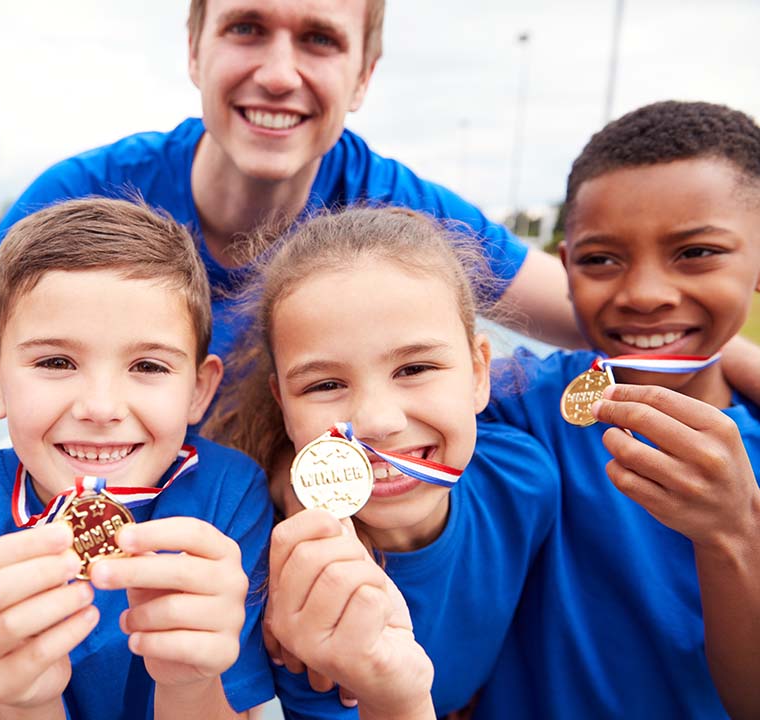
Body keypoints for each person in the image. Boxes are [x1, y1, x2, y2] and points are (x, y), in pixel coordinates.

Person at [0, 0, 592, 433]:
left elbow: (597, 314)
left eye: (320, 39)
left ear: (363, 78)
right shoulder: (85, 197)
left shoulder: (399, 216)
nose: (280, 73)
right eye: (247, 28)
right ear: (196, 50)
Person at [0, 197, 274, 720]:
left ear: (199, 388)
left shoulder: (230, 497)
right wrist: (24, 698)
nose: (101, 408)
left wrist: (192, 681)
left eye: (148, 366)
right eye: (57, 361)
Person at [203, 206, 560, 717]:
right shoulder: (285, 590)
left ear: (480, 372)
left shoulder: (524, 481)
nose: (377, 420)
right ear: (283, 406)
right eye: (325, 385)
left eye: (415, 368)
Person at [472, 101, 760, 720]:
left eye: (697, 252)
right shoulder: (516, 405)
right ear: (566, 265)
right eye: (601, 259)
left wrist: (732, 534)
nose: (645, 295)